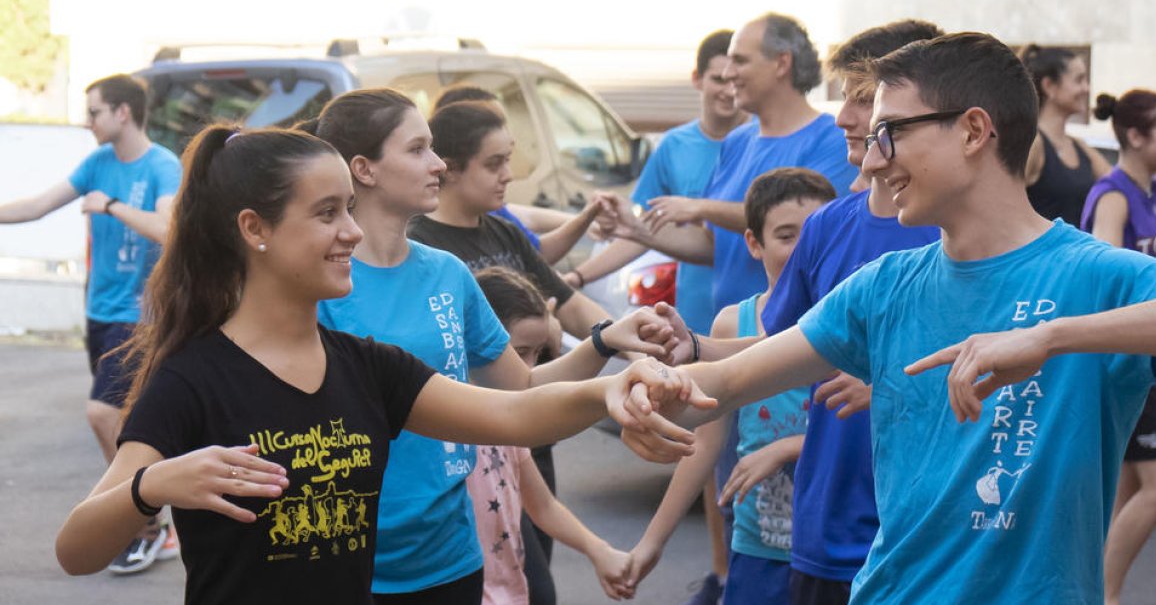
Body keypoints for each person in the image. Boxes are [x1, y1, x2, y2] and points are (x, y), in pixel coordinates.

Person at [617, 32, 1156, 604]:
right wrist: (643, 389)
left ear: (973, 131)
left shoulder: (1092, 276)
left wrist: (1049, 337)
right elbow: (731, 378)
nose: (871, 162)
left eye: (888, 134)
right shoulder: (885, 284)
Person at [53, 125, 707, 605]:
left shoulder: (366, 366)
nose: (353, 232)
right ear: (255, 228)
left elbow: (514, 411)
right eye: (326, 213)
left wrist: (609, 386)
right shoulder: (194, 377)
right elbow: (76, 549)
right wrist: (151, 488)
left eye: (349, 208)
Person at [311, 88, 682, 603]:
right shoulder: (321, 284)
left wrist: (602, 343)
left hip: (454, 558)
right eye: (418, 149)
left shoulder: (447, 272)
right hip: (355, 563)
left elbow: (522, 390)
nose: (438, 164)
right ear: (364, 169)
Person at [759, 19, 944, 605]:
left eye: (864, 100)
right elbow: (782, 351)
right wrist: (687, 353)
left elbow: (1019, 375)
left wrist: (891, 382)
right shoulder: (828, 226)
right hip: (828, 530)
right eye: (843, 97)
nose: (842, 117)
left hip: (927, 535)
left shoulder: (964, 234)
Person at [564, 29, 744, 604]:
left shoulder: (754, 143)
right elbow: (640, 235)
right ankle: (720, 574)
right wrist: (576, 277)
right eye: (717, 76)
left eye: (736, 77)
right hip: (693, 325)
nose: (727, 88)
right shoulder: (675, 148)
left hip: (758, 325)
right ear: (698, 80)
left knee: (764, 453)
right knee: (710, 453)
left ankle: (759, 572)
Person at [0, 73, 182, 573]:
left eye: (94, 112)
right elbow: (38, 205)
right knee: (124, 424)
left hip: (141, 316)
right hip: (99, 312)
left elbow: (169, 229)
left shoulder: (162, 166)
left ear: (123, 113)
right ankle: (149, 512)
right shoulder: (98, 162)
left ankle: (147, 521)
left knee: (103, 416)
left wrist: (114, 206)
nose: (87, 121)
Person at [628, 167, 835, 604]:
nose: (802, 248)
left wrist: (786, 447)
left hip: (838, 548)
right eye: (785, 235)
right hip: (759, 547)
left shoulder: (853, 319)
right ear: (753, 244)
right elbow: (705, 442)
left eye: (815, 232)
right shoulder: (732, 322)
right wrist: (652, 541)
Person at [610, 13, 856, 314]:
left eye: (739, 61)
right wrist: (633, 226)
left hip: (789, 337)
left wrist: (702, 206)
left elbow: (806, 226)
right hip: (730, 330)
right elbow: (714, 245)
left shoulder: (831, 140)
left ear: (781, 63)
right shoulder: (737, 141)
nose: (728, 73)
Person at [1079, 89, 1156, 605]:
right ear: (1134, 136)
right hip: (1126, 358)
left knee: (1122, 492)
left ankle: (1095, 588)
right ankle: (1101, 594)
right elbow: (1103, 272)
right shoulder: (1113, 194)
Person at [471, 266, 635, 603]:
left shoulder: (506, 420)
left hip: (512, 589)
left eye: (537, 353)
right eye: (519, 353)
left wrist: (599, 550)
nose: (528, 368)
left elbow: (542, 504)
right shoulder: (449, 421)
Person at [409, 100, 615, 339]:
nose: (508, 175)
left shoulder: (507, 233)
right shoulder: (420, 246)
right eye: (494, 164)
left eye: (507, 160)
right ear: (450, 168)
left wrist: (627, 340)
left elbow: (569, 305)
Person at [434, 84, 617, 266]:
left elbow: (535, 252)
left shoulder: (499, 225)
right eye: (493, 164)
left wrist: (586, 219)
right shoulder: (425, 242)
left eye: (503, 123)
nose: (508, 176)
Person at [1019, 45, 1112, 227]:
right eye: (1079, 80)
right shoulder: (1034, 144)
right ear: (1049, 86)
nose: (1086, 88)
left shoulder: (1078, 145)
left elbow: (1120, 183)